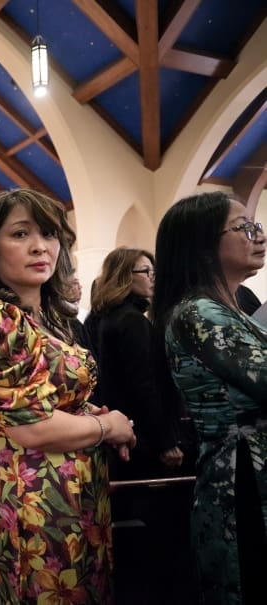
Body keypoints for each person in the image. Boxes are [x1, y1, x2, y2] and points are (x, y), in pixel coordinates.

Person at [0, 189, 136, 604]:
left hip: (73, 497)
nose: (40, 246)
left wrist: (92, 416)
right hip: (26, 500)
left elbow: (57, 400)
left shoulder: (47, 317)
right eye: (20, 234)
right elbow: (32, 427)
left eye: (49, 234)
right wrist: (107, 427)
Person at [151, 192, 266, 605]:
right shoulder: (199, 313)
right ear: (202, 244)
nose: (259, 236)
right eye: (244, 228)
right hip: (242, 477)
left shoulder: (224, 307)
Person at [85, 247, 183, 479]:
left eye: (154, 271)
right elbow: (144, 384)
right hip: (142, 435)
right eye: (145, 271)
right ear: (125, 275)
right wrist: (165, 441)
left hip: (123, 427)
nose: (153, 277)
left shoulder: (107, 316)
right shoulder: (131, 320)